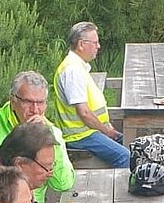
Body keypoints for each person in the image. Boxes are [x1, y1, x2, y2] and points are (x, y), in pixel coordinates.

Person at [0, 72, 76, 203]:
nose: (35, 110)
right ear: (13, 101)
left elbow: (63, 184)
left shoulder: (51, 131)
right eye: (28, 102)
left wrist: (49, 139)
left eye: (40, 103)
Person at [52, 22, 130, 168]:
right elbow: (85, 113)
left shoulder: (78, 66)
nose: (98, 46)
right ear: (81, 44)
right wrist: (108, 132)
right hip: (80, 136)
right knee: (125, 156)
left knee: (132, 145)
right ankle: (117, 188)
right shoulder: (72, 71)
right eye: (95, 42)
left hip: (89, 131)